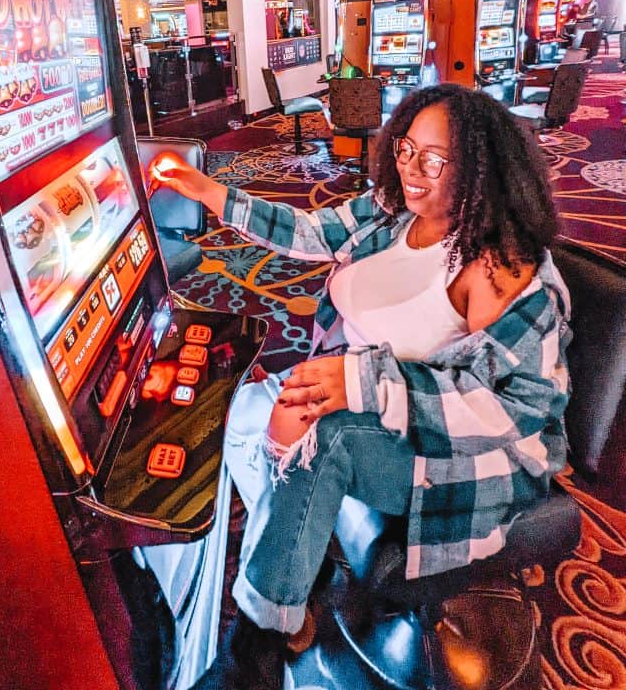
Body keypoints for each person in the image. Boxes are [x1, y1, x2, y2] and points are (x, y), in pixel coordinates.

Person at [151, 83, 571, 690]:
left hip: (474, 451)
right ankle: (303, 567)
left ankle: (256, 650)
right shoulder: (393, 211)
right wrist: (211, 192)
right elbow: (309, 231)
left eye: (435, 158)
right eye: (405, 148)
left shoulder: (500, 265)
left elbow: (515, 412)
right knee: (244, 407)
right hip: (377, 398)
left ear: (483, 167)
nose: (411, 169)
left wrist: (362, 383)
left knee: (331, 440)